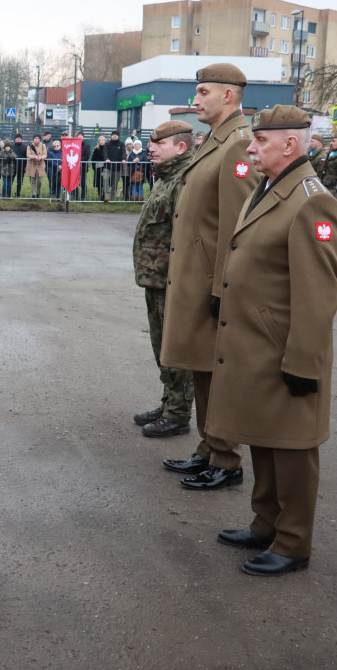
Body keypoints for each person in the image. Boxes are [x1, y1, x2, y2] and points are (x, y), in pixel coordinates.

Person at [211, 105, 337, 576]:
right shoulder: (270, 188)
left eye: (260, 141)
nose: (250, 148)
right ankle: (265, 522)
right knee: (262, 437)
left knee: (291, 448)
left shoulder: (312, 202)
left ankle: (293, 542)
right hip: (258, 343)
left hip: (286, 348)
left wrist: (304, 362)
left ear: (289, 144)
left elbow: (319, 293)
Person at [159, 63, 261, 491]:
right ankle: (208, 448)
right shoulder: (214, 142)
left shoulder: (238, 145)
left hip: (211, 282)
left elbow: (236, 227)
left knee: (216, 372)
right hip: (196, 277)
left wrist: (222, 287)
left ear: (229, 96)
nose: (196, 99)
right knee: (202, 367)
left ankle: (226, 458)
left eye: (204, 91)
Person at [132, 121, 196, 438]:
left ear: (181, 147)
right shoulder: (167, 178)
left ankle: (178, 413)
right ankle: (169, 402)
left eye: (159, 143)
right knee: (161, 347)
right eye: (151, 143)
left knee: (173, 348)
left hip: (172, 280)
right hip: (156, 278)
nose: (151, 147)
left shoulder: (186, 182)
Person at [26, 134, 47, 198]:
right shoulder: (29, 146)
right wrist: (35, 157)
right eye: (35, 138)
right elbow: (28, 154)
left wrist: (41, 157)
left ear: (40, 139)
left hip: (40, 165)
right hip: (32, 165)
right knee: (33, 180)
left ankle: (38, 192)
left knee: (39, 181)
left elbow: (45, 154)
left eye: (37, 138)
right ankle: (34, 194)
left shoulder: (43, 146)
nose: (36, 139)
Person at [90, 135, 108, 200]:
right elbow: (93, 159)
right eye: (100, 140)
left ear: (105, 141)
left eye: (103, 140)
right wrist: (94, 167)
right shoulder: (96, 149)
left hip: (106, 167)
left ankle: (105, 195)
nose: (101, 141)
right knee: (99, 182)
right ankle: (100, 195)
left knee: (106, 182)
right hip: (98, 168)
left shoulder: (107, 148)